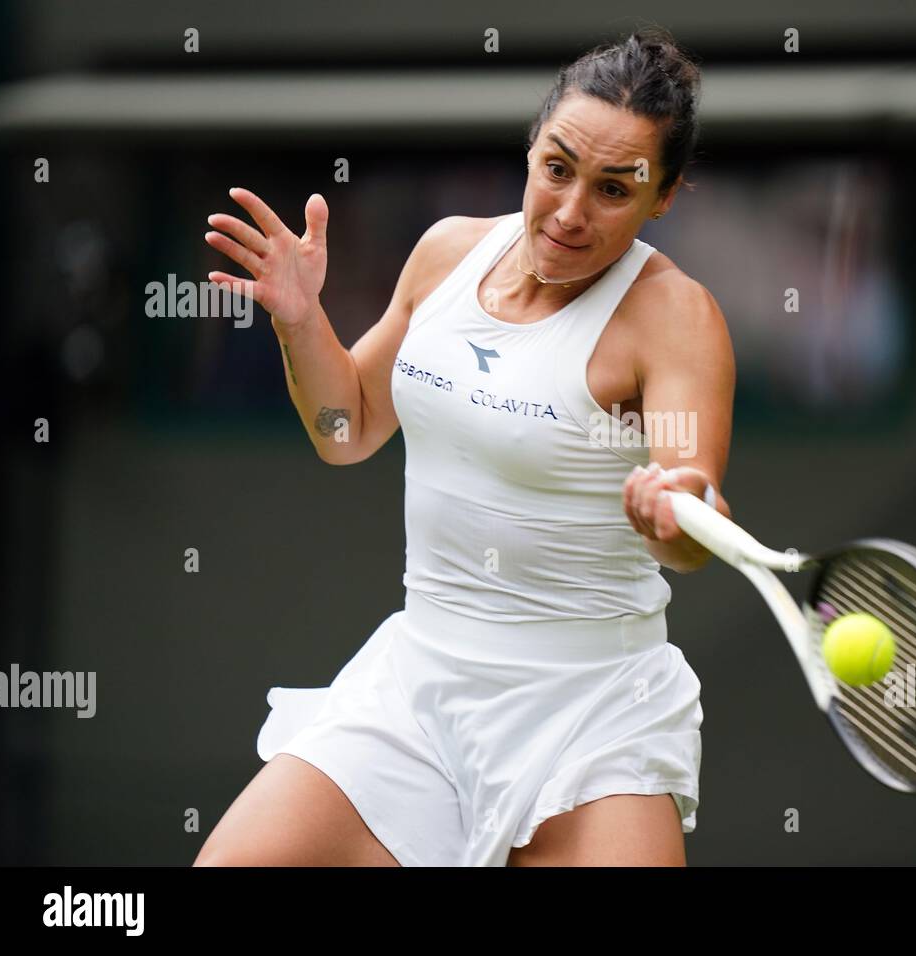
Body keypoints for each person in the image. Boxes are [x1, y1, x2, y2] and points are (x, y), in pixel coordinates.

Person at [193, 27, 735, 867]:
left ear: (662, 197)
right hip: (419, 684)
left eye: (614, 189)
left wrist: (676, 510)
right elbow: (348, 429)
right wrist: (301, 324)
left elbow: (687, 509)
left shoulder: (676, 318)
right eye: (557, 169)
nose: (569, 212)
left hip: (593, 717)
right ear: (532, 146)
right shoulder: (448, 251)